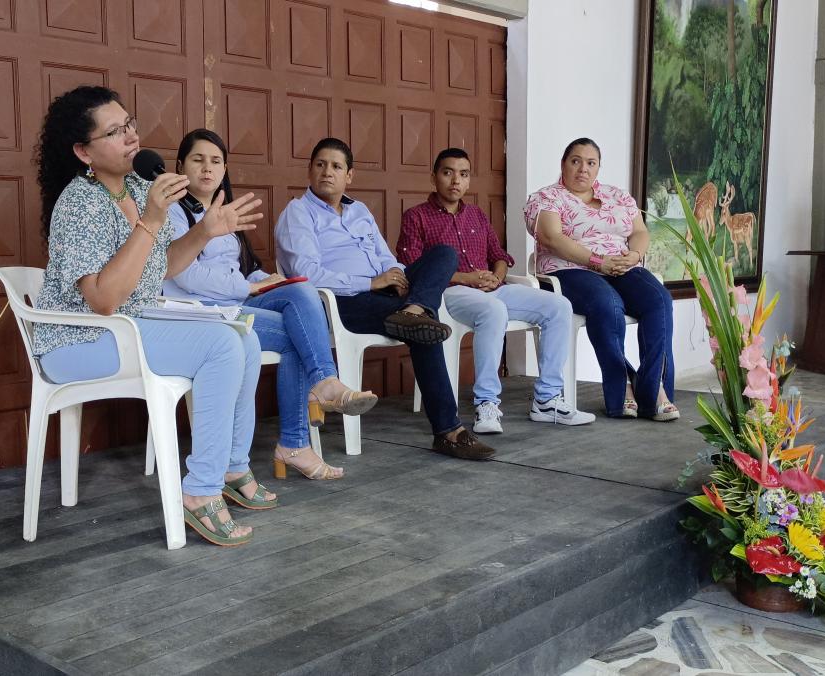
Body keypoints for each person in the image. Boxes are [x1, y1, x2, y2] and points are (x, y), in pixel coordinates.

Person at [32, 86, 269, 546]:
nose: (131, 137)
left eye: (130, 124)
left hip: (131, 326)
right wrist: (152, 221)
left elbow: (161, 266)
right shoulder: (78, 204)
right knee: (221, 346)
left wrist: (203, 232)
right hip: (77, 341)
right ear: (83, 151)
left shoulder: (141, 187)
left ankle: (232, 467)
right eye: (115, 132)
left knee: (243, 336)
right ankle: (200, 492)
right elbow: (103, 298)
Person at [161, 129, 377, 481]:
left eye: (215, 161)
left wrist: (269, 278)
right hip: (199, 313)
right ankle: (297, 437)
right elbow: (187, 275)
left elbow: (242, 268)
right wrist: (249, 285)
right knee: (297, 335)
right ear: (180, 165)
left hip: (233, 302)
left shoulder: (223, 212)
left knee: (301, 288)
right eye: (197, 160)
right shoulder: (171, 213)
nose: (207, 169)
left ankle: (323, 385)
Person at [276, 137, 496, 460]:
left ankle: (413, 307)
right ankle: (449, 431)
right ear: (309, 171)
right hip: (342, 302)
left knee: (443, 256)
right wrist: (371, 282)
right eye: (320, 165)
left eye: (336, 167)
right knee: (425, 327)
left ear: (349, 175)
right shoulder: (298, 213)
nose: (327, 172)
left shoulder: (359, 211)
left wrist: (395, 276)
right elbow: (306, 275)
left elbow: (385, 255)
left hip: (388, 293)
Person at [399, 148, 595, 433]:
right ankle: (486, 404)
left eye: (463, 174)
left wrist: (495, 276)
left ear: (469, 180)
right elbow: (413, 267)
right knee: (494, 310)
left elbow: (499, 255)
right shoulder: (416, 217)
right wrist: (467, 278)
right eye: (447, 172)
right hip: (449, 292)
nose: (456, 180)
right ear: (434, 177)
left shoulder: (476, 215)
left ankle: (547, 399)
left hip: (491, 289)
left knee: (559, 305)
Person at [525, 138, 679, 421]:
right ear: (563, 164)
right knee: (608, 304)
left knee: (659, 301)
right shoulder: (547, 197)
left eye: (590, 163)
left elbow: (640, 232)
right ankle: (621, 392)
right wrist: (598, 262)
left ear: (598, 168)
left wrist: (634, 255)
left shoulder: (617, 196)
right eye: (575, 161)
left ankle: (653, 390)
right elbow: (552, 237)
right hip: (569, 269)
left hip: (620, 265)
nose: (583, 168)